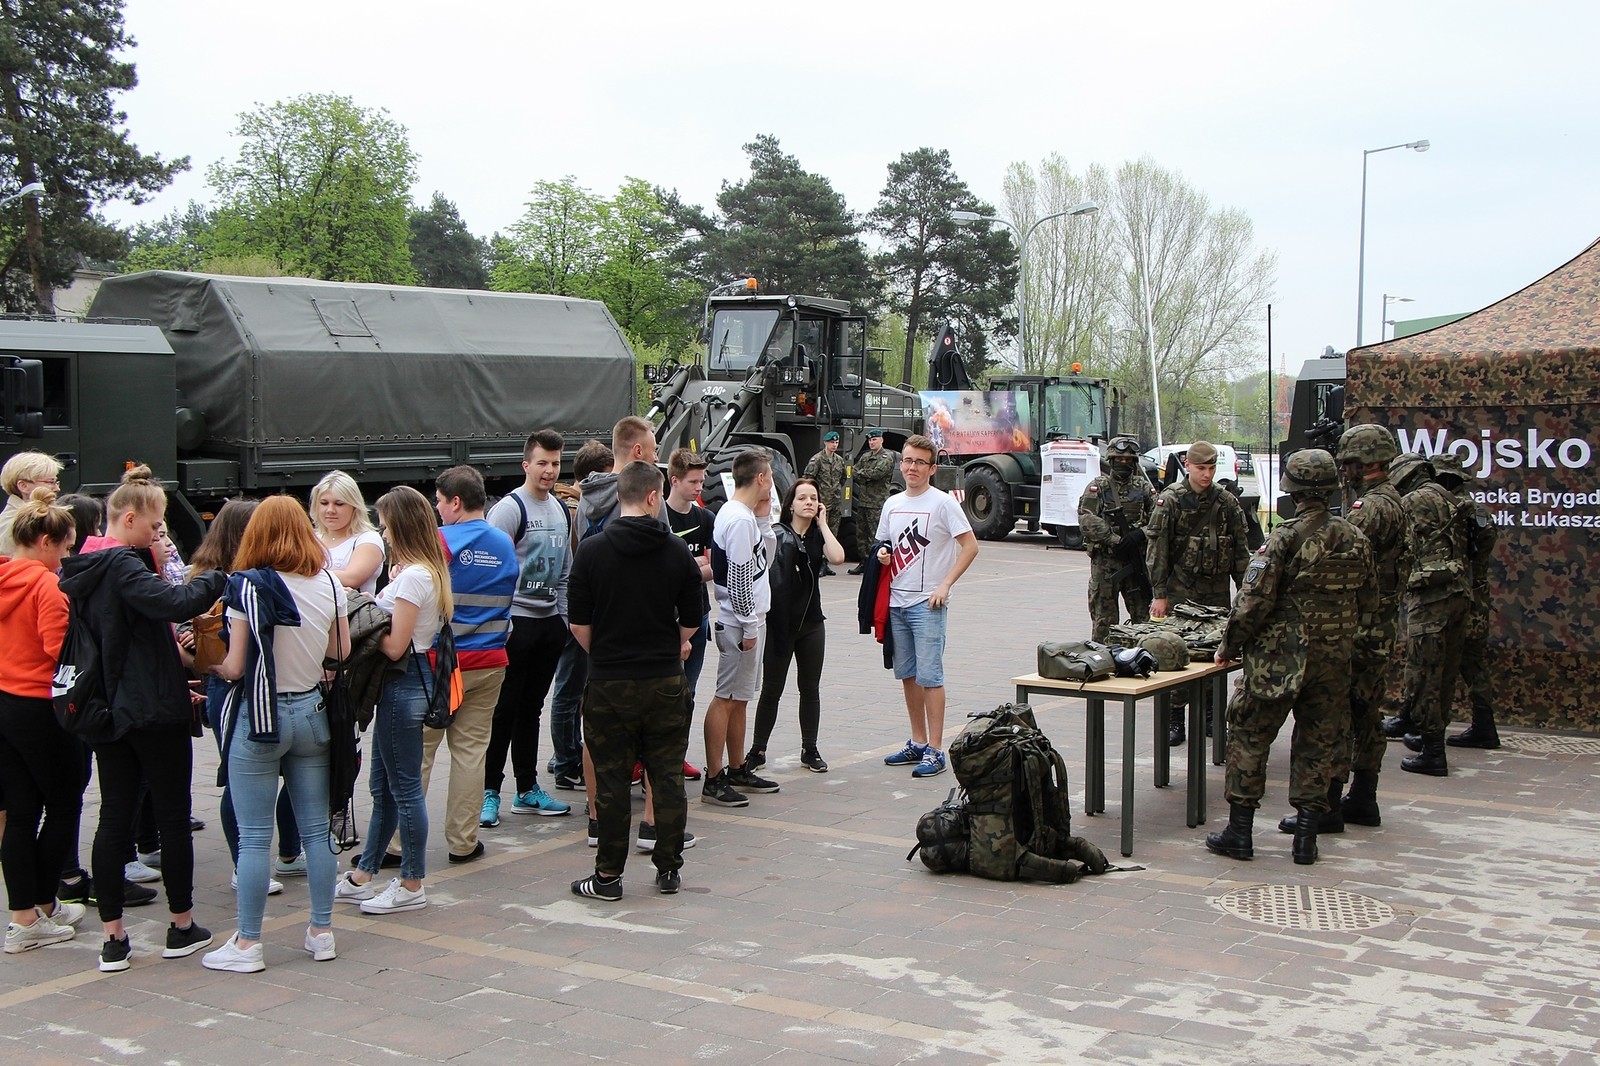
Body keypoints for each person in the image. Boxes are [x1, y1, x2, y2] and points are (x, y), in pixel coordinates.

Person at [57, 465, 226, 973]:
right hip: (150, 710)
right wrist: (218, 574)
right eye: (154, 527)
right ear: (128, 519)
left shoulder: (84, 565)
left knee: (113, 817)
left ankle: (114, 939)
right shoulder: (122, 565)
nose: (159, 537)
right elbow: (176, 602)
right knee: (172, 818)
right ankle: (181, 926)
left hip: (106, 709)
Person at [1205, 450, 1376, 866]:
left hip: (1279, 659)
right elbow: (1370, 600)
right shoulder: (1356, 537)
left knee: (1249, 733)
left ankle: (1239, 833)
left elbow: (1253, 601)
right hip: (1332, 660)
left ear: (1293, 491)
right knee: (1318, 743)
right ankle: (1306, 840)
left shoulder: (1284, 537)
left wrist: (1228, 645)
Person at [202, 496, 349, 972]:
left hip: (258, 718)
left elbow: (234, 667)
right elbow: (340, 650)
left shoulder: (245, 586)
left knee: (253, 838)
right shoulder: (329, 582)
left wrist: (199, 659)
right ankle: (322, 932)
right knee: (315, 831)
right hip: (310, 712)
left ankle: (248, 943)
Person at [567, 461, 702, 900]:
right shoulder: (676, 551)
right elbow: (692, 619)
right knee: (667, 776)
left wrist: (606, 652)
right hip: (664, 679)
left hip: (609, 683)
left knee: (611, 782)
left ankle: (607, 877)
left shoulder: (591, 551)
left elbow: (578, 623)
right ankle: (668, 869)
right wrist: (670, 645)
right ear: (653, 496)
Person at [1279, 425, 1408, 836]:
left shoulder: (1368, 509)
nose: (1344, 472)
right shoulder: (1393, 499)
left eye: (1348, 463)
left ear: (1363, 463)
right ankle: (1364, 797)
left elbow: (1339, 553)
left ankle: (1328, 805)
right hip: (1378, 625)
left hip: (1358, 629)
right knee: (1366, 712)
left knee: (1336, 718)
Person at [336, 486, 450, 914]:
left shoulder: (416, 577)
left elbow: (395, 645)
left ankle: (411, 882)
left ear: (401, 526)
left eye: (385, 526)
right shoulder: (421, 572)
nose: (383, 534)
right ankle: (365, 874)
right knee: (384, 786)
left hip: (403, 683)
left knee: (404, 790)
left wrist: (361, 613)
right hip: (403, 684)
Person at [187, 499, 298, 893]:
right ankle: (243, 864)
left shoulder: (251, 575)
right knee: (239, 778)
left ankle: (282, 853)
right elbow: (192, 639)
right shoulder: (218, 580)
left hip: (253, 682)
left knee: (273, 773)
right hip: (232, 685)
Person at [0, 488, 89, 953]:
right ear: (45, 541)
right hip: (41, 707)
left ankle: (28, 914)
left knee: (19, 813)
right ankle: (39, 906)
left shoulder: (4, 577)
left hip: (4, 703)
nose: (66, 558)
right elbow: (61, 654)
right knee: (64, 804)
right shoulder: (47, 586)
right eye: (66, 548)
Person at [421, 465, 517, 863]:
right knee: (471, 753)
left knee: (419, 754)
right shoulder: (504, 544)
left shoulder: (439, 541)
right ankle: (463, 842)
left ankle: (395, 843)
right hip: (490, 662)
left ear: (456, 502)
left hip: (441, 666)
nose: (438, 509)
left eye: (440, 502)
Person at [482, 431, 573, 825]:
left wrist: (563, 622)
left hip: (548, 625)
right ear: (526, 465)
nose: (549, 470)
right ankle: (489, 791)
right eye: (542, 463)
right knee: (503, 710)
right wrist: (501, 626)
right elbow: (492, 572)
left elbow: (565, 571)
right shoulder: (509, 509)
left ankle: (527, 789)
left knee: (531, 710)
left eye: (555, 463)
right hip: (514, 625)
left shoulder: (561, 509)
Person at [876, 434, 979, 779]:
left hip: (927, 604)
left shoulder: (943, 504)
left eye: (920, 462)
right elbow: (884, 543)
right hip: (896, 602)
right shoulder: (892, 504)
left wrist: (945, 584)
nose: (912, 468)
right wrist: (883, 554)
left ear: (932, 469)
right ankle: (917, 741)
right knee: (908, 675)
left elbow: (970, 546)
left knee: (930, 676)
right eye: (907, 460)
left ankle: (936, 749)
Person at [1145, 441, 1250, 745]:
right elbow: (1157, 550)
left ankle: (1210, 716)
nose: (1206, 474)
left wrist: (1245, 593)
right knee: (1178, 653)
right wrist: (1160, 594)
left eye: (1211, 468)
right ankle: (1175, 718)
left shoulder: (1226, 502)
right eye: (1201, 468)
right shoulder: (1171, 500)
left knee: (1216, 655)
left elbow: (1240, 552)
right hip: (1180, 591)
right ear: (1188, 466)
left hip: (1216, 592)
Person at [747, 477, 846, 774]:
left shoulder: (817, 535)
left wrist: (823, 524)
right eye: (802, 498)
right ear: (790, 504)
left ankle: (809, 749)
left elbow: (838, 558)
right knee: (772, 689)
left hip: (812, 623)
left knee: (810, 689)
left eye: (813, 498)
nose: (809, 502)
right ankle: (757, 750)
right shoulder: (777, 534)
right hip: (780, 624)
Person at [1383, 452, 1472, 777]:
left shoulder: (1412, 501)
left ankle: (1433, 751)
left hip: (1430, 599)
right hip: (1459, 594)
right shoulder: (1451, 498)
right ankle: (1431, 739)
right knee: (1445, 673)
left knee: (1422, 674)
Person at [701, 449, 781, 806]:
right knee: (726, 698)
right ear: (761, 478)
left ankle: (736, 768)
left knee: (740, 699)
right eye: (770, 478)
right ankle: (714, 777)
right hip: (738, 622)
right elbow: (738, 580)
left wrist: (764, 521)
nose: (772, 486)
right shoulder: (737, 520)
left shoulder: (747, 517)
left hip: (749, 619)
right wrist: (749, 626)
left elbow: (763, 562)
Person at [546, 438, 615, 793]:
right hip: (577, 610)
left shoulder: (568, 506)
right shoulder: (575, 510)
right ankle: (566, 761)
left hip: (573, 608)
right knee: (570, 690)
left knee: (572, 689)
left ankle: (566, 753)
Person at [1431, 452, 1501, 750]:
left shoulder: (1451, 511)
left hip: (1457, 595)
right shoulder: (1476, 511)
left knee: (1442, 662)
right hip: (1476, 596)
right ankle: (1484, 726)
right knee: (1473, 664)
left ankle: (1432, 731)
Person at [1078, 435, 1154, 642]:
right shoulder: (1099, 487)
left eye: (1129, 460)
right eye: (1120, 459)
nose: (1124, 463)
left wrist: (1140, 534)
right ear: (1111, 460)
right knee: (1104, 621)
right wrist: (1113, 539)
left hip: (1135, 562)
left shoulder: (1143, 487)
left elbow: (1159, 520)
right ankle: (1102, 656)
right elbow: (1086, 519)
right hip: (1106, 563)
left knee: (1144, 620)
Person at [312, 470, 385, 595]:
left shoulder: (368, 539)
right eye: (324, 503)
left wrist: (306, 574)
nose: (330, 510)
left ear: (354, 506)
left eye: (339, 504)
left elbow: (352, 579)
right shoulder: (311, 538)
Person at [848, 430, 894, 574]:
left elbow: (877, 474)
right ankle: (864, 562)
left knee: (875, 535)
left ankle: (875, 564)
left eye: (874, 439)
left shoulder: (886, 457)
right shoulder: (865, 457)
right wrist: (865, 474)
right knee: (861, 534)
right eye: (870, 440)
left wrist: (863, 474)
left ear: (881, 440)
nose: (871, 442)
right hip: (863, 501)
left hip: (877, 503)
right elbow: (854, 472)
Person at [0, 451, 64, 555]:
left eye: (56, 482)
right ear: (23, 486)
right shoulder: (13, 524)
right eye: (50, 482)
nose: (57, 488)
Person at [802, 431, 846, 573]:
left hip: (835, 502)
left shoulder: (839, 460)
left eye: (836, 442)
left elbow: (843, 478)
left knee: (831, 532)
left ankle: (826, 563)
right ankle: (818, 563)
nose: (834, 445)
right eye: (832, 442)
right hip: (822, 503)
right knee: (819, 532)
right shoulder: (817, 460)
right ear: (825, 443)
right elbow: (808, 479)